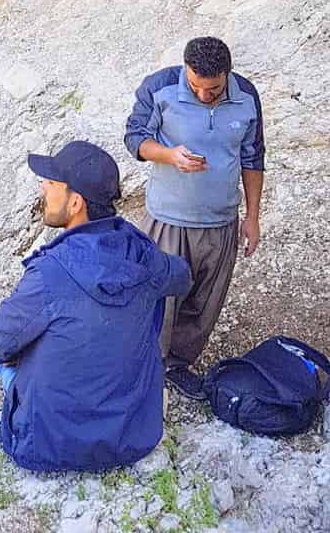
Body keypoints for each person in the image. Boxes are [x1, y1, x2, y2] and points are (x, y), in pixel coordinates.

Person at [0, 139, 191, 473]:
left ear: (75, 202)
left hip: (49, 446)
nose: (42, 189)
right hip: (132, 435)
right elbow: (182, 278)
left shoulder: (49, 273)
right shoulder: (141, 254)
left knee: (10, 350)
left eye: (51, 184)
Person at [123, 36, 265, 400]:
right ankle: (143, 365)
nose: (204, 95)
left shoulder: (246, 96)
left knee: (205, 302)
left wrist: (252, 217)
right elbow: (134, 138)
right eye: (196, 87)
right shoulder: (160, 87)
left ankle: (177, 365)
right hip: (168, 219)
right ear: (186, 71)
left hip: (221, 221)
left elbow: (253, 157)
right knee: (159, 298)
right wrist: (170, 156)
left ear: (227, 75)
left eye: (214, 89)